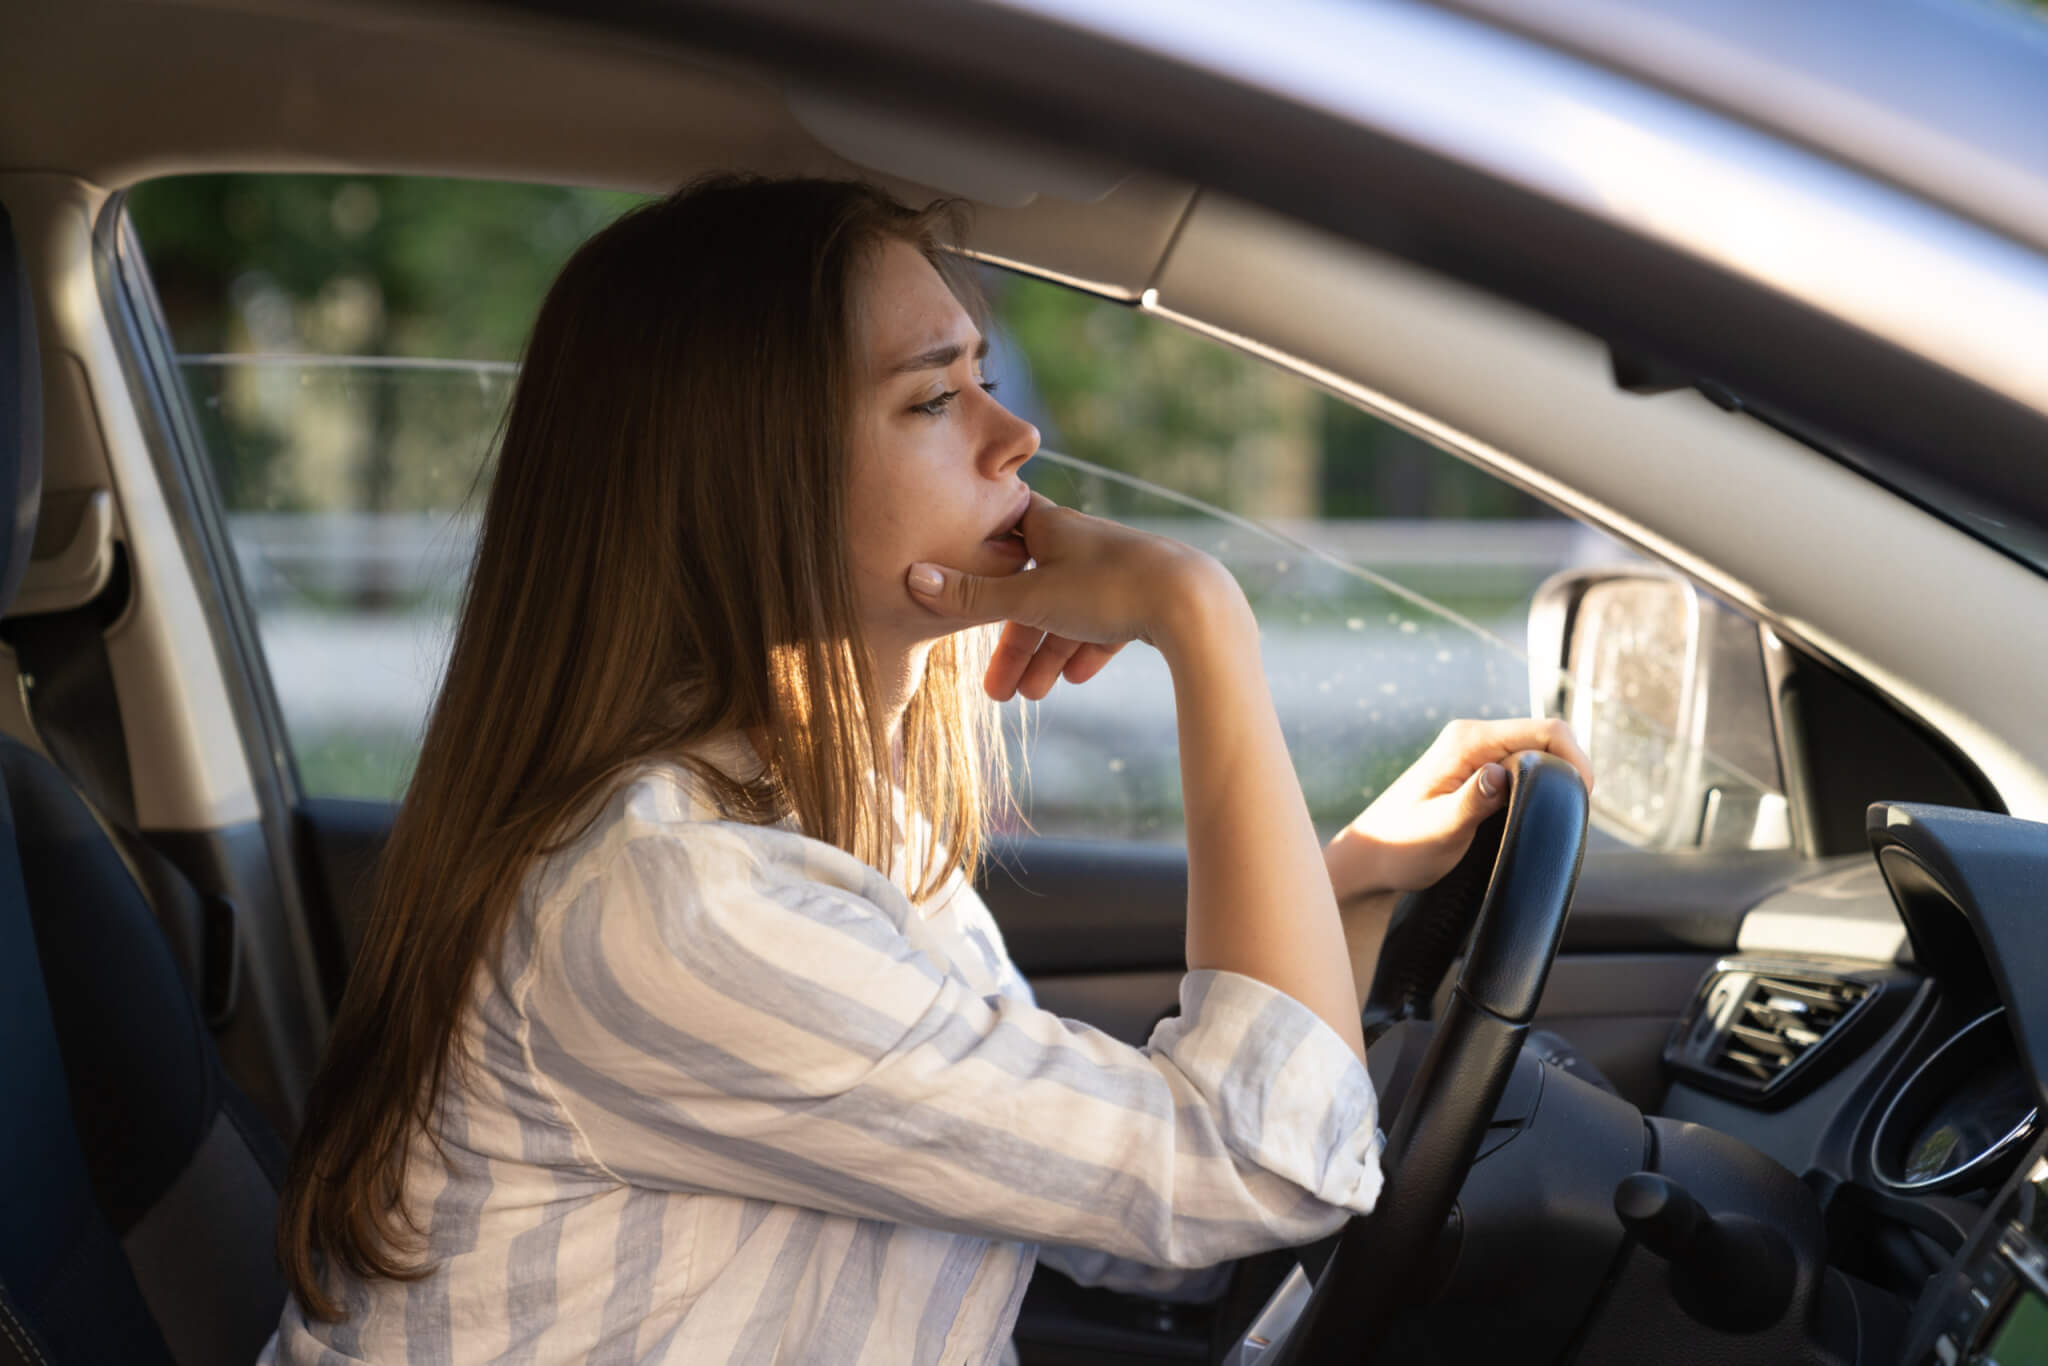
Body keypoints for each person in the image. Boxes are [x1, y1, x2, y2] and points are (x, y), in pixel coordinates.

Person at [265, 175, 1593, 1365]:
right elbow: (1246, 1169)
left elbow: (1119, 1219)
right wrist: (1201, 620)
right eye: (933, 396)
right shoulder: (683, 903)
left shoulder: (818, 824)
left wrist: (1342, 882)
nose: (1013, 441)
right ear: (751, 486)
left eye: (989, 379)